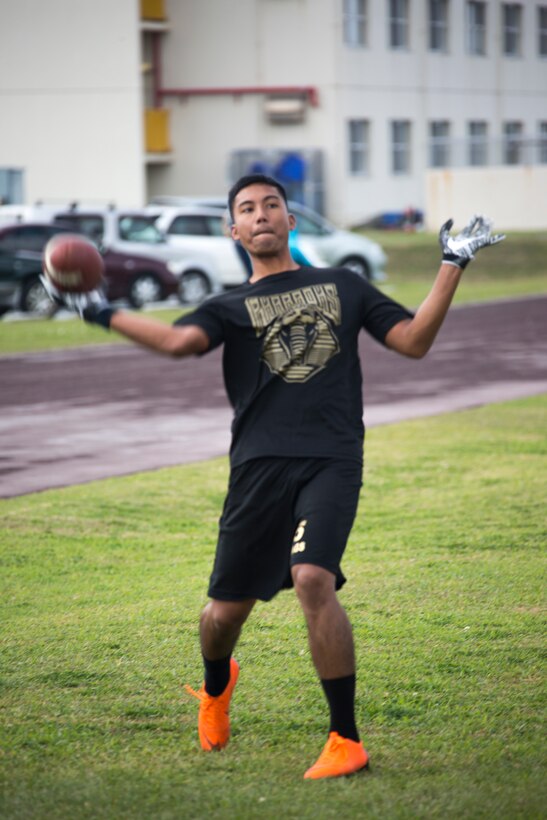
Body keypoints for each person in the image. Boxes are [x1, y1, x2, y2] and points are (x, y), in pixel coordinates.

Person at [42, 175, 504, 780]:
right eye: (246, 210)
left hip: (332, 459)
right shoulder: (228, 307)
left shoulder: (343, 285)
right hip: (258, 468)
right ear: (234, 231)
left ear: (290, 221)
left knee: (313, 577)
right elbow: (181, 342)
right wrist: (100, 311)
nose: (260, 215)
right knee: (221, 618)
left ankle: (346, 739)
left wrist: (451, 263)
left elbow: (414, 341)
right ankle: (216, 686)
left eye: (271, 206)